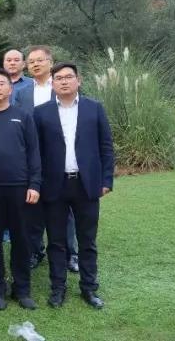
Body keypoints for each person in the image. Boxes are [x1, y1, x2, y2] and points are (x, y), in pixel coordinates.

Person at [34, 63, 114, 310]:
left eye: (69, 77)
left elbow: (106, 146)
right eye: (59, 78)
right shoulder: (41, 113)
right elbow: (35, 152)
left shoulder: (94, 108)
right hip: (54, 185)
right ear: (53, 83)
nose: (64, 81)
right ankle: (58, 288)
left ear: (78, 80)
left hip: (86, 184)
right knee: (56, 241)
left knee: (87, 240)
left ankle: (89, 288)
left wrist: (106, 180)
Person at [0, 68, 41, 311]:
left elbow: (34, 152)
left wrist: (34, 184)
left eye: (1, 83)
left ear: (10, 88)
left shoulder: (23, 117)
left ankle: (22, 289)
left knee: (21, 239)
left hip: (20, 187)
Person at [14, 45, 76, 270]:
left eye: (40, 60)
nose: (35, 64)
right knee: (32, 208)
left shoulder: (61, 87)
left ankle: (71, 253)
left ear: (50, 62)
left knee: (65, 209)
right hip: (32, 157)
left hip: (60, 156)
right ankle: (35, 251)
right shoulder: (22, 93)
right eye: (31, 62)